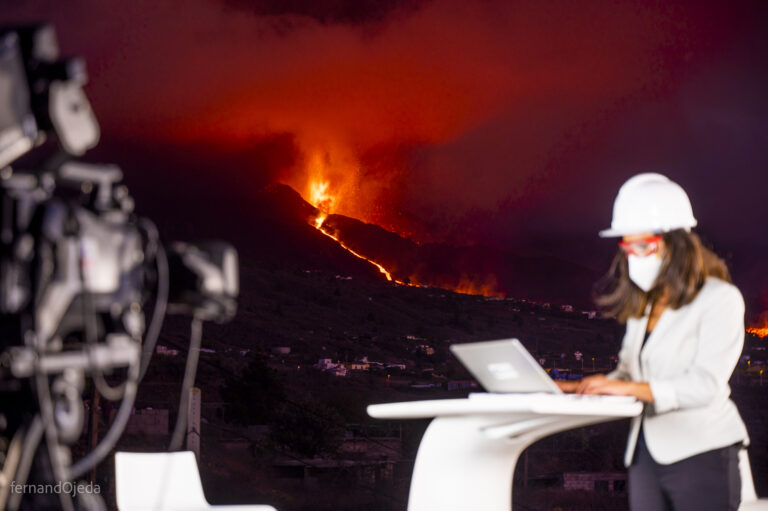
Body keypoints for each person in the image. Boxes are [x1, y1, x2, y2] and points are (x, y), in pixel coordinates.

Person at [557, 173, 750, 511]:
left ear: (677, 244)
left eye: (643, 245)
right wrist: (575, 387)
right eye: (627, 246)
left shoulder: (721, 299)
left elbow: (705, 385)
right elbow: (628, 376)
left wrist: (626, 388)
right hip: (645, 454)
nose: (634, 255)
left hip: (702, 451)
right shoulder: (643, 307)